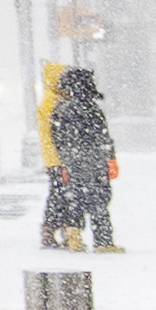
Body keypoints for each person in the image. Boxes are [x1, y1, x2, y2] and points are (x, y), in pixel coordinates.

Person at [41, 63, 121, 252]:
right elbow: (104, 137)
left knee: (74, 199)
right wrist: (109, 158)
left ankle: (74, 238)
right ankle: (103, 241)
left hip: (73, 163)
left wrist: (66, 158)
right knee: (99, 202)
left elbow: (58, 138)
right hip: (96, 162)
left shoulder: (61, 110)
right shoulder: (93, 109)